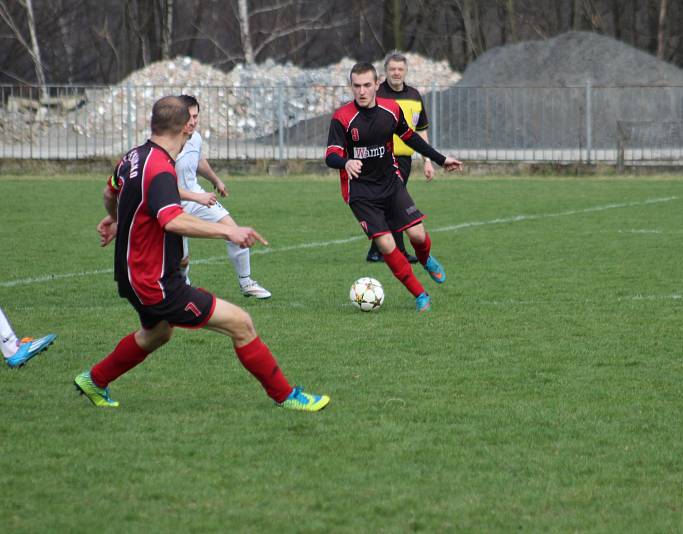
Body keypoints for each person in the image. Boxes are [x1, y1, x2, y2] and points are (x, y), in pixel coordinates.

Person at [78, 96, 329, 411]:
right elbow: (172, 219)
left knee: (157, 334)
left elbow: (109, 191)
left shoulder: (133, 157)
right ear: (185, 128)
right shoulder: (161, 169)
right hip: (155, 281)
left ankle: (94, 380)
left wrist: (116, 218)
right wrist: (229, 231)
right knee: (241, 322)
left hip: (131, 275)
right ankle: (288, 397)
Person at [325, 62, 462, 313]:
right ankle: (420, 294)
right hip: (361, 193)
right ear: (351, 86)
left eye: (367, 85)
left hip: (390, 184)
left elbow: (410, 136)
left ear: (377, 84)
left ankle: (425, 259)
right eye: (357, 86)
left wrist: (441, 160)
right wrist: (346, 162)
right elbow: (330, 155)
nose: (362, 91)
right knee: (387, 246)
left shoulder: (391, 109)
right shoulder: (342, 118)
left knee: (418, 235)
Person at [175, 95, 271, 298]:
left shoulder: (196, 138)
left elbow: (199, 161)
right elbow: (161, 188)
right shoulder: (166, 146)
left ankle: (246, 283)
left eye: (195, 116)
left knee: (234, 231)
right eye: (188, 117)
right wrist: (195, 197)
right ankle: (182, 286)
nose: (192, 121)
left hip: (197, 198)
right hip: (171, 205)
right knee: (181, 259)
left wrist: (216, 180)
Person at [365, 51, 435, 264]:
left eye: (400, 69)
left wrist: (427, 160)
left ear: (405, 71)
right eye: (392, 69)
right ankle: (398, 252)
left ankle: (377, 251)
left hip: (404, 159)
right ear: (385, 71)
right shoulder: (378, 95)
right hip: (382, 157)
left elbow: (421, 130)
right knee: (395, 202)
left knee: (389, 202)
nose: (396, 73)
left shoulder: (414, 95)